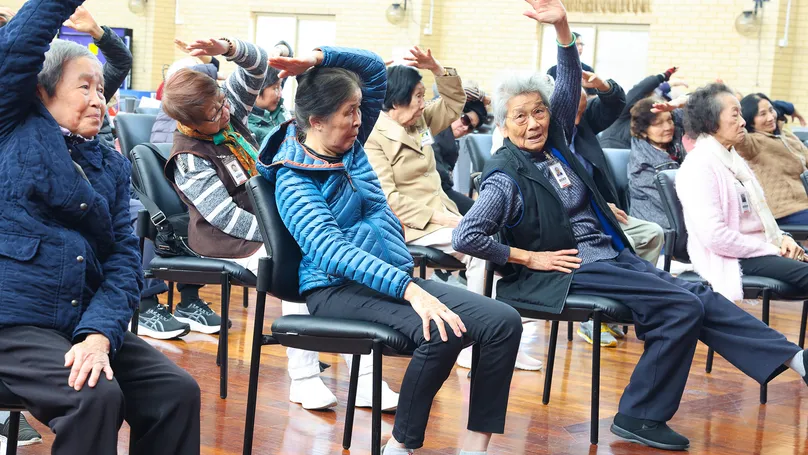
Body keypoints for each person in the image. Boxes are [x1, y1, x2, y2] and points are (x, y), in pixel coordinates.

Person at [452, 2, 808, 449]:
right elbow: (467, 235)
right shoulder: (506, 174)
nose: (534, 123)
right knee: (681, 306)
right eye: (520, 117)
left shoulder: (555, 145)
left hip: (608, 254)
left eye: (539, 113)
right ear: (503, 124)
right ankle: (640, 415)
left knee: (693, 295)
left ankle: (794, 358)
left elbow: (566, 83)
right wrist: (528, 257)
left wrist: (561, 25)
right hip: (564, 270)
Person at [257, 41, 522, 455]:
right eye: (350, 113)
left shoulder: (350, 143)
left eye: (360, 110)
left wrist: (318, 58)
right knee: (443, 330)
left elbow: (376, 73)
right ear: (317, 121)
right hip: (334, 290)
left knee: (503, 321)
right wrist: (410, 289)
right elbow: (331, 251)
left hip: (390, 282)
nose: (360, 120)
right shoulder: (294, 179)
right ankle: (400, 445)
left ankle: (475, 446)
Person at [0, 1, 201, 454]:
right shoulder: (11, 128)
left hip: (78, 319)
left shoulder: (109, 163)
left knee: (176, 392)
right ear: (41, 92)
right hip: (14, 322)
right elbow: (16, 48)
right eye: (84, 87)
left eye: (102, 88)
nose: (98, 98)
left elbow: (124, 257)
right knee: (94, 397)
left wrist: (98, 334)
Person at [162, 36, 400, 411]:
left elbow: (259, 65)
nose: (223, 114)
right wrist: (286, 231)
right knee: (297, 267)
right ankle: (304, 377)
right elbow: (225, 217)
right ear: (186, 122)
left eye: (222, 103)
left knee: (342, 260)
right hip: (229, 239)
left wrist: (225, 47)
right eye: (212, 114)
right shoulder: (187, 157)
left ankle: (366, 376)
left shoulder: (230, 115)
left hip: (275, 221)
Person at [364, 47, 486, 294]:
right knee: (481, 250)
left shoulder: (418, 120)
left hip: (442, 216)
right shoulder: (374, 136)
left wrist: (436, 68)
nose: (423, 104)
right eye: (418, 96)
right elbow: (389, 199)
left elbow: (454, 103)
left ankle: (507, 313)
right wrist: (441, 218)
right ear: (397, 100)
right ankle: (482, 319)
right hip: (412, 225)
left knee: (493, 240)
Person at [677, 84, 808, 301]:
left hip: (759, 249)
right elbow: (716, 237)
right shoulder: (699, 166)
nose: (743, 122)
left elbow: (761, 216)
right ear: (711, 122)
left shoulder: (733, 160)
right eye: (735, 115)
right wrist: (771, 249)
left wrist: (783, 238)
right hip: (732, 256)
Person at [568, 74, 665, 346]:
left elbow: (616, 103)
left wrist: (602, 85)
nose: (579, 118)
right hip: (576, 217)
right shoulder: (548, 134)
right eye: (574, 112)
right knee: (623, 245)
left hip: (601, 208)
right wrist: (598, 205)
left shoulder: (583, 124)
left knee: (653, 233)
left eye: (583, 111)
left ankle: (616, 310)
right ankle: (593, 314)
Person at [735, 93, 808, 225]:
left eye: (771, 110)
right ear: (750, 119)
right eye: (762, 114)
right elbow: (736, 127)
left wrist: (789, 108)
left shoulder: (785, 135)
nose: (770, 117)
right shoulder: (751, 143)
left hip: (804, 202)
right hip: (786, 210)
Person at [627, 96, 687, 229]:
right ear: (643, 132)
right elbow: (675, 202)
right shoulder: (641, 165)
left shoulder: (672, 136)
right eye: (658, 124)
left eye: (669, 120)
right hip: (661, 231)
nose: (667, 127)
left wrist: (676, 103)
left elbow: (701, 106)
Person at [431, 91, 488, 214]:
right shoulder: (436, 128)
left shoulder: (450, 142)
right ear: (455, 112)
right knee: (480, 213)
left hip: (441, 191)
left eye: (471, 127)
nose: (466, 128)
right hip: (433, 193)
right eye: (466, 120)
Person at [598, 67, 681, 150]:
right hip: (615, 149)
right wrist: (663, 76)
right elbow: (639, 89)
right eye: (658, 123)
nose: (667, 127)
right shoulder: (623, 112)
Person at [248, 59, 293, 146]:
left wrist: (278, 50)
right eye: (275, 88)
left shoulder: (279, 109)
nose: (280, 94)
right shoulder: (249, 126)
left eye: (280, 86)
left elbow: (288, 55)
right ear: (257, 89)